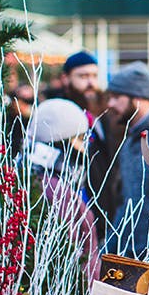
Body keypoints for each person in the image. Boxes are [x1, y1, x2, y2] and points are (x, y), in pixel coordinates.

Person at [104, 62, 149, 256]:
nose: (110, 104)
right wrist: (110, 251)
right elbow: (128, 202)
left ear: (138, 97)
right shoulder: (133, 139)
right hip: (134, 256)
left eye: (116, 97)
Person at [43, 51, 121, 235]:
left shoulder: (103, 112)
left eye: (94, 76)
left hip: (106, 214)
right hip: (75, 218)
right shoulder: (57, 114)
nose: (90, 83)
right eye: (83, 76)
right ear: (66, 78)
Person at [23, 98, 100, 276]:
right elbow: (72, 255)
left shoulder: (41, 177)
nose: (86, 146)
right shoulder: (55, 190)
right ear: (64, 141)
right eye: (82, 138)